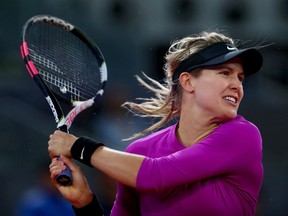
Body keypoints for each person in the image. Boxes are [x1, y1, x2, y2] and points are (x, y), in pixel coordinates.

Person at [48, 31, 264, 216]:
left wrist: (77, 147)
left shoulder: (242, 136)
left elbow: (156, 175)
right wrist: (84, 202)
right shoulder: (142, 151)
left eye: (241, 78)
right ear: (188, 81)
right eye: (225, 73)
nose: (237, 85)